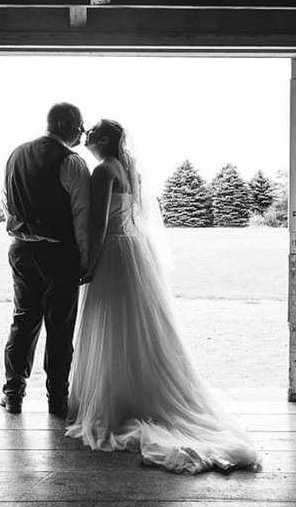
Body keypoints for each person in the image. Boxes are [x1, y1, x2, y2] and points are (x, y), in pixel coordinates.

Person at [64, 119, 260, 474]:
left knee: (113, 325)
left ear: (105, 140)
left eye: (92, 134)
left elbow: (99, 224)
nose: (86, 138)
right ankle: (141, 390)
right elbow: (133, 216)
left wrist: (88, 262)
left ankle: (117, 398)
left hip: (112, 253)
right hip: (135, 251)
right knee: (138, 325)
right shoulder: (130, 169)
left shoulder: (103, 171)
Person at [0, 102, 91, 416]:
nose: (82, 132)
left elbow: (8, 204)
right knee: (60, 327)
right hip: (59, 253)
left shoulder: (16, 155)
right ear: (66, 124)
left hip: (21, 250)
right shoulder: (72, 163)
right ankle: (57, 399)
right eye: (80, 126)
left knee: (23, 321)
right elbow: (81, 216)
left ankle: (13, 393)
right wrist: (85, 258)